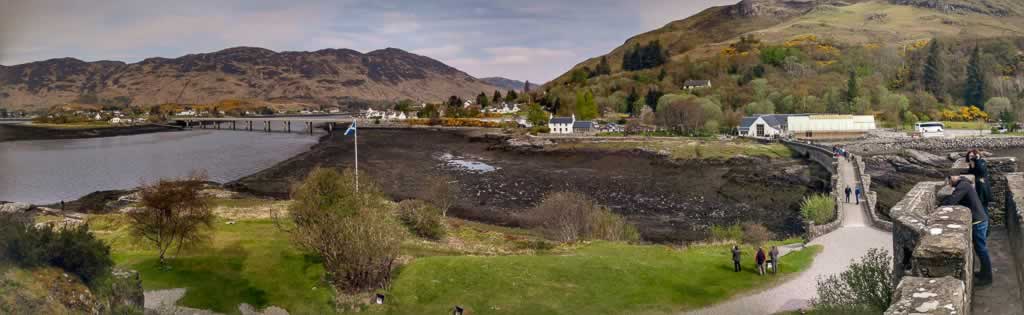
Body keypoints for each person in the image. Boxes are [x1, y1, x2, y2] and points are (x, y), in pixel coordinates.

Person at [942, 175, 992, 286]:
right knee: (980, 249)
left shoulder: (963, 185)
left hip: (978, 222)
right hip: (980, 220)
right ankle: (984, 273)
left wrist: (940, 205)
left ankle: (987, 277)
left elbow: (952, 201)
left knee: (982, 250)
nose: (950, 185)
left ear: (952, 178)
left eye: (949, 182)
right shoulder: (965, 183)